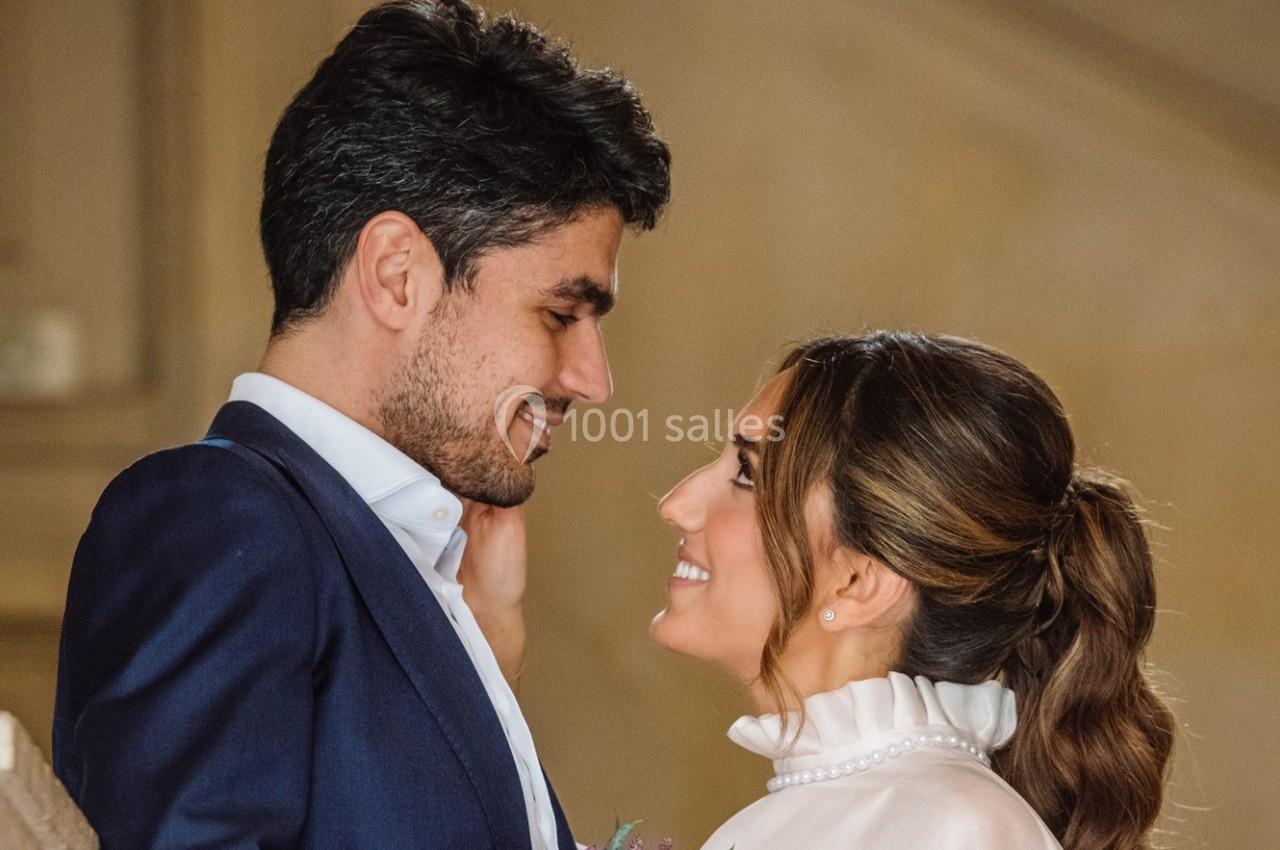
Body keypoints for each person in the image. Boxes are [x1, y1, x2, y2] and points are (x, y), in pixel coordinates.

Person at [52, 1, 669, 847]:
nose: (593, 381)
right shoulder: (215, 518)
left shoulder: (412, 571)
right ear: (396, 274)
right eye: (562, 314)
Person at [651, 331, 1175, 850]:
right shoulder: (872, 813)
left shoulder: (952, 828)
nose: (676, 503)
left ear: (858, 583)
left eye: (747, 473)